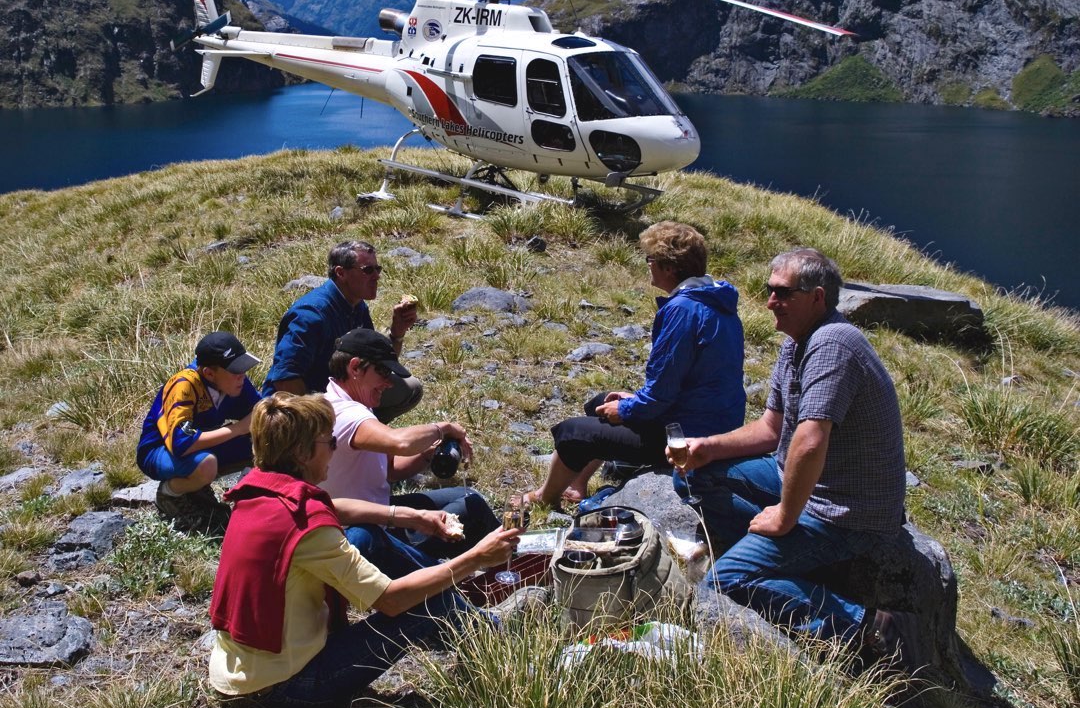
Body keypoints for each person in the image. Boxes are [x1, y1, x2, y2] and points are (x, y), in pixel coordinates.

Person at [675, 248, 921, 667]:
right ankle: (769, 560)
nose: (771, 301)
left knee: (724, 582)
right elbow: (772, 430)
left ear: (817, 297)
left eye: (783, 293)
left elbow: (809, 441)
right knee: (696, 474)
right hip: (802, 478)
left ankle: (868, 625)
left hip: (845, 509)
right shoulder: (798, 342)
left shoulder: (832, 345)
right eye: (769, 291)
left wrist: (785, 516)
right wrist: (707, 447)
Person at [208, 393, 519, 707]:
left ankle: (473, 620)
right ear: (302, 453)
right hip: (289, 684)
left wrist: (409, 515)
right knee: (431, 602)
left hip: (242, 669)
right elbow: (392, 600)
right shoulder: (310, 532)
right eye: (329, 443)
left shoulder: (258, 490)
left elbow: (331, 507)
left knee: (365, 536)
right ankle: (492, 634)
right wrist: (476, 557)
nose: (334, 449)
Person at [527, 221, 745, 508]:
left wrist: (629, 408)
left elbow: (662, 392)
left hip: (685, 437)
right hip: (712, 421)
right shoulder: (717, 303)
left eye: (651, 260)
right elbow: (683, 384)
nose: (648, 266)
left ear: (669, 268)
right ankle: (577, 484)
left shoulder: (683, 310)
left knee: (574, 432)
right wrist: (632, 402)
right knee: (601, 402)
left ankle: (544, 499)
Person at [319, 328, 500, 562]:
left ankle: (491, 562)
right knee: (472, 507)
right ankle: (510, 563)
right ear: (354, 368)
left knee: (467, 497)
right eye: (382, 372)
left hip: (374, 512)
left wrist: (428, 454)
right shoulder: (346, 413)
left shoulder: (353, 405)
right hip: (363, 534)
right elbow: (401, 442)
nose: (388, 383)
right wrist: (443, 427)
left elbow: (390, 472)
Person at [263, 239, 421, 422]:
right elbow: (285, 379)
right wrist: (318, 421)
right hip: (301, 407)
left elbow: (375, 363)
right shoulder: (310, 315)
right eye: (368, 270)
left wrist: (397, 332)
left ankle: (362, 436)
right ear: (341, 273)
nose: (376, 276)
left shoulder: (357, 306)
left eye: (378, 269)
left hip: (341, 394)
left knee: (410, 388)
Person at [136, 330, 261, 534]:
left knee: (265, 445)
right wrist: (238, 428)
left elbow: (260, 411)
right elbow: (181, 445)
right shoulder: (184, 385)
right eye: (235, 370)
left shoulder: (234, 382)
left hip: (202, 446)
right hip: (159, 452)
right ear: (209, 373)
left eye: (244, 369)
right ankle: (170, 494)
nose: (242, 376)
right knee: (206, 465)